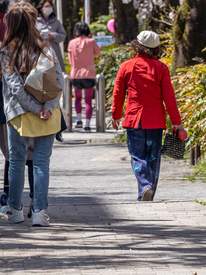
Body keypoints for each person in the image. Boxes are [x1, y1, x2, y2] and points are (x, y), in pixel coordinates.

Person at [0, 2, 64, 226]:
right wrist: (48, 107)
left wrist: (34, 109)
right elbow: (60, 80)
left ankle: (15, 209)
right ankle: (39, 212)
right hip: (48, 112)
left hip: (19, 114)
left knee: (16, 160)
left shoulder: (7, 51)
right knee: (41, 162)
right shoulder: (46, 47)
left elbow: (15, 87)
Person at [112, 31, 186, 202]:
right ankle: (147, 191)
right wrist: (177, 123)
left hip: (134, 119)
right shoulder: (161, 68)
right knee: (153, 157)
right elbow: (169, 98)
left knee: (138, 156)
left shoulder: (127, 66)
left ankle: (145, 186)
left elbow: (118, 93)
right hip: (155, 121)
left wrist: (116, 115)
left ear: (137, 45)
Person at [67, 22, 102, 131]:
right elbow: (98, 53)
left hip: (76, 74)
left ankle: (78, 121)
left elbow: (69, 59)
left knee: (77, 98)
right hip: (89, 74)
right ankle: (87, 125)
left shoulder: (72, 43)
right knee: (88, 100)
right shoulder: (91, 41)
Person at [35, 0, 66, 70]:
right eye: (46, 6)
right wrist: (39, 36)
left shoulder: (56, 22)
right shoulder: (36, 22)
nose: (48, 8)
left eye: (49, 6)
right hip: (41, 52)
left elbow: (63, 35)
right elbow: (31, 36)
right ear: (41, 9)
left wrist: (53, 36)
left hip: (54, 52)